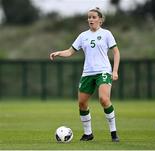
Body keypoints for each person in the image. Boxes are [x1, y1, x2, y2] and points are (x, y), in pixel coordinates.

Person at [50, 7, 120, 142]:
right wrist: (59, 53)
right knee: (82, 103)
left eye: (94, 17)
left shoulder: (106, 34)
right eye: (89, 17)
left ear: (100, 20)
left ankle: (113, 133)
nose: (91, 20)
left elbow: (116, 52)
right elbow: (70, 52)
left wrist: (115, 70)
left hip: (103, 71)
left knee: (104, 100)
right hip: (87, 72)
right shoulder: (83, 36)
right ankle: (88, 134)